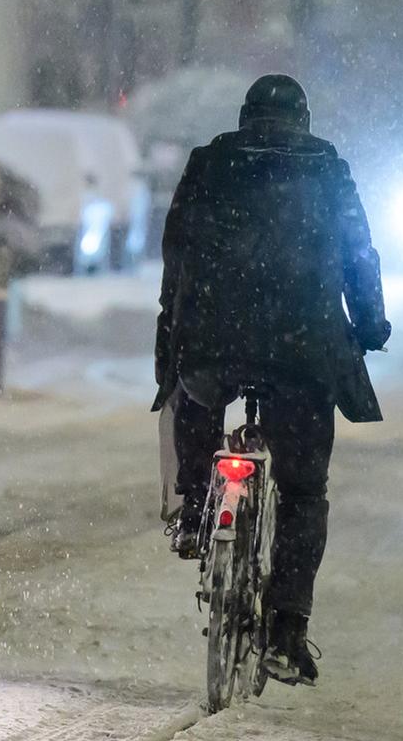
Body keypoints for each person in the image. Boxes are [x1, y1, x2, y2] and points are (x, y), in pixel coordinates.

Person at [153, 73, 390, 686]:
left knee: (197, 394)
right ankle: (286, 631)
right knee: (304, 490)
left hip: (215, 335)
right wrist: (369, 325)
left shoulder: (210, 162)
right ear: (303, 123)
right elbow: (359, 254)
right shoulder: (329, 170)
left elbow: (176, 247)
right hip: (302, 347)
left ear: (244, 117)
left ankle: (196, 507)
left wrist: (175, 316)